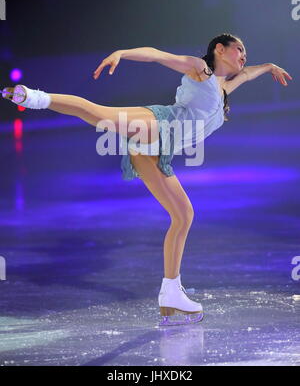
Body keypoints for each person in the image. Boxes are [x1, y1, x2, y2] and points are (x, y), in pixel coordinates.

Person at [1, 33, 292, 326]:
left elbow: (251, 72)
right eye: (239, 49)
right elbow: (156, 54)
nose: (244, 56)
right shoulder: (200, 70)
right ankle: (34, 97)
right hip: (159, 124)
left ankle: (171, 294)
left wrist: (269, 67)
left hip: (157, 152)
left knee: (183, 215)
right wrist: (122, 52)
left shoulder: (225, 86)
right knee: (101, 115)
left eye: (246, 52)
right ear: (219, 48)